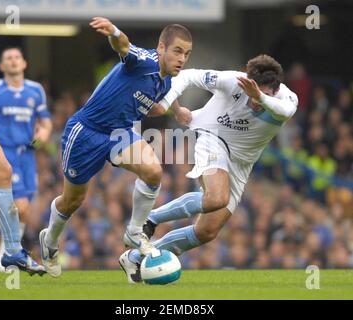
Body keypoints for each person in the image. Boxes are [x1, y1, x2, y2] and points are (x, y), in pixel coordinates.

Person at [119, 54, 298, 283]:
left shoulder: (286, 99)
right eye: (250, 93)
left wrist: (260, 97)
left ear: (274, 89)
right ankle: (150, 219)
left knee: (206, 231)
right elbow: (187, 76)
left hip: (242, 163)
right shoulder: (233, 80)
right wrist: (169, 105)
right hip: (213, 139)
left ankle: (135, 257)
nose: (252, 100)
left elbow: (283, 112)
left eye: (262, 94)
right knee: (216, 198)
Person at [39, 17, 193, 277]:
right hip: (86, 132)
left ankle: (135, 231)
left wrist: (174, 109)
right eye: (177, 51)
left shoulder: (165, 83)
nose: (182, 58)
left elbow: (151, 105)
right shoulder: (144, 61)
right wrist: (113, 31)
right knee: (72, 200)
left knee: (154, 172)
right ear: (161, 47)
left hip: (119, 134)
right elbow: (123, 46)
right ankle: (50, 241)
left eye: (187, 54)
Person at [0, 47, 52, 271]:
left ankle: (3, 250)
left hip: (27, 153)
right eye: (8, 58)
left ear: (25, 63)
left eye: (17, 57)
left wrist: (45, 133)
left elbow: (45, 120)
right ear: (1, 66)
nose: (13, 61)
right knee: (17, 204)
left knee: (25, 209)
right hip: (4, 148)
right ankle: (2, 253)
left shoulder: (36, 91)